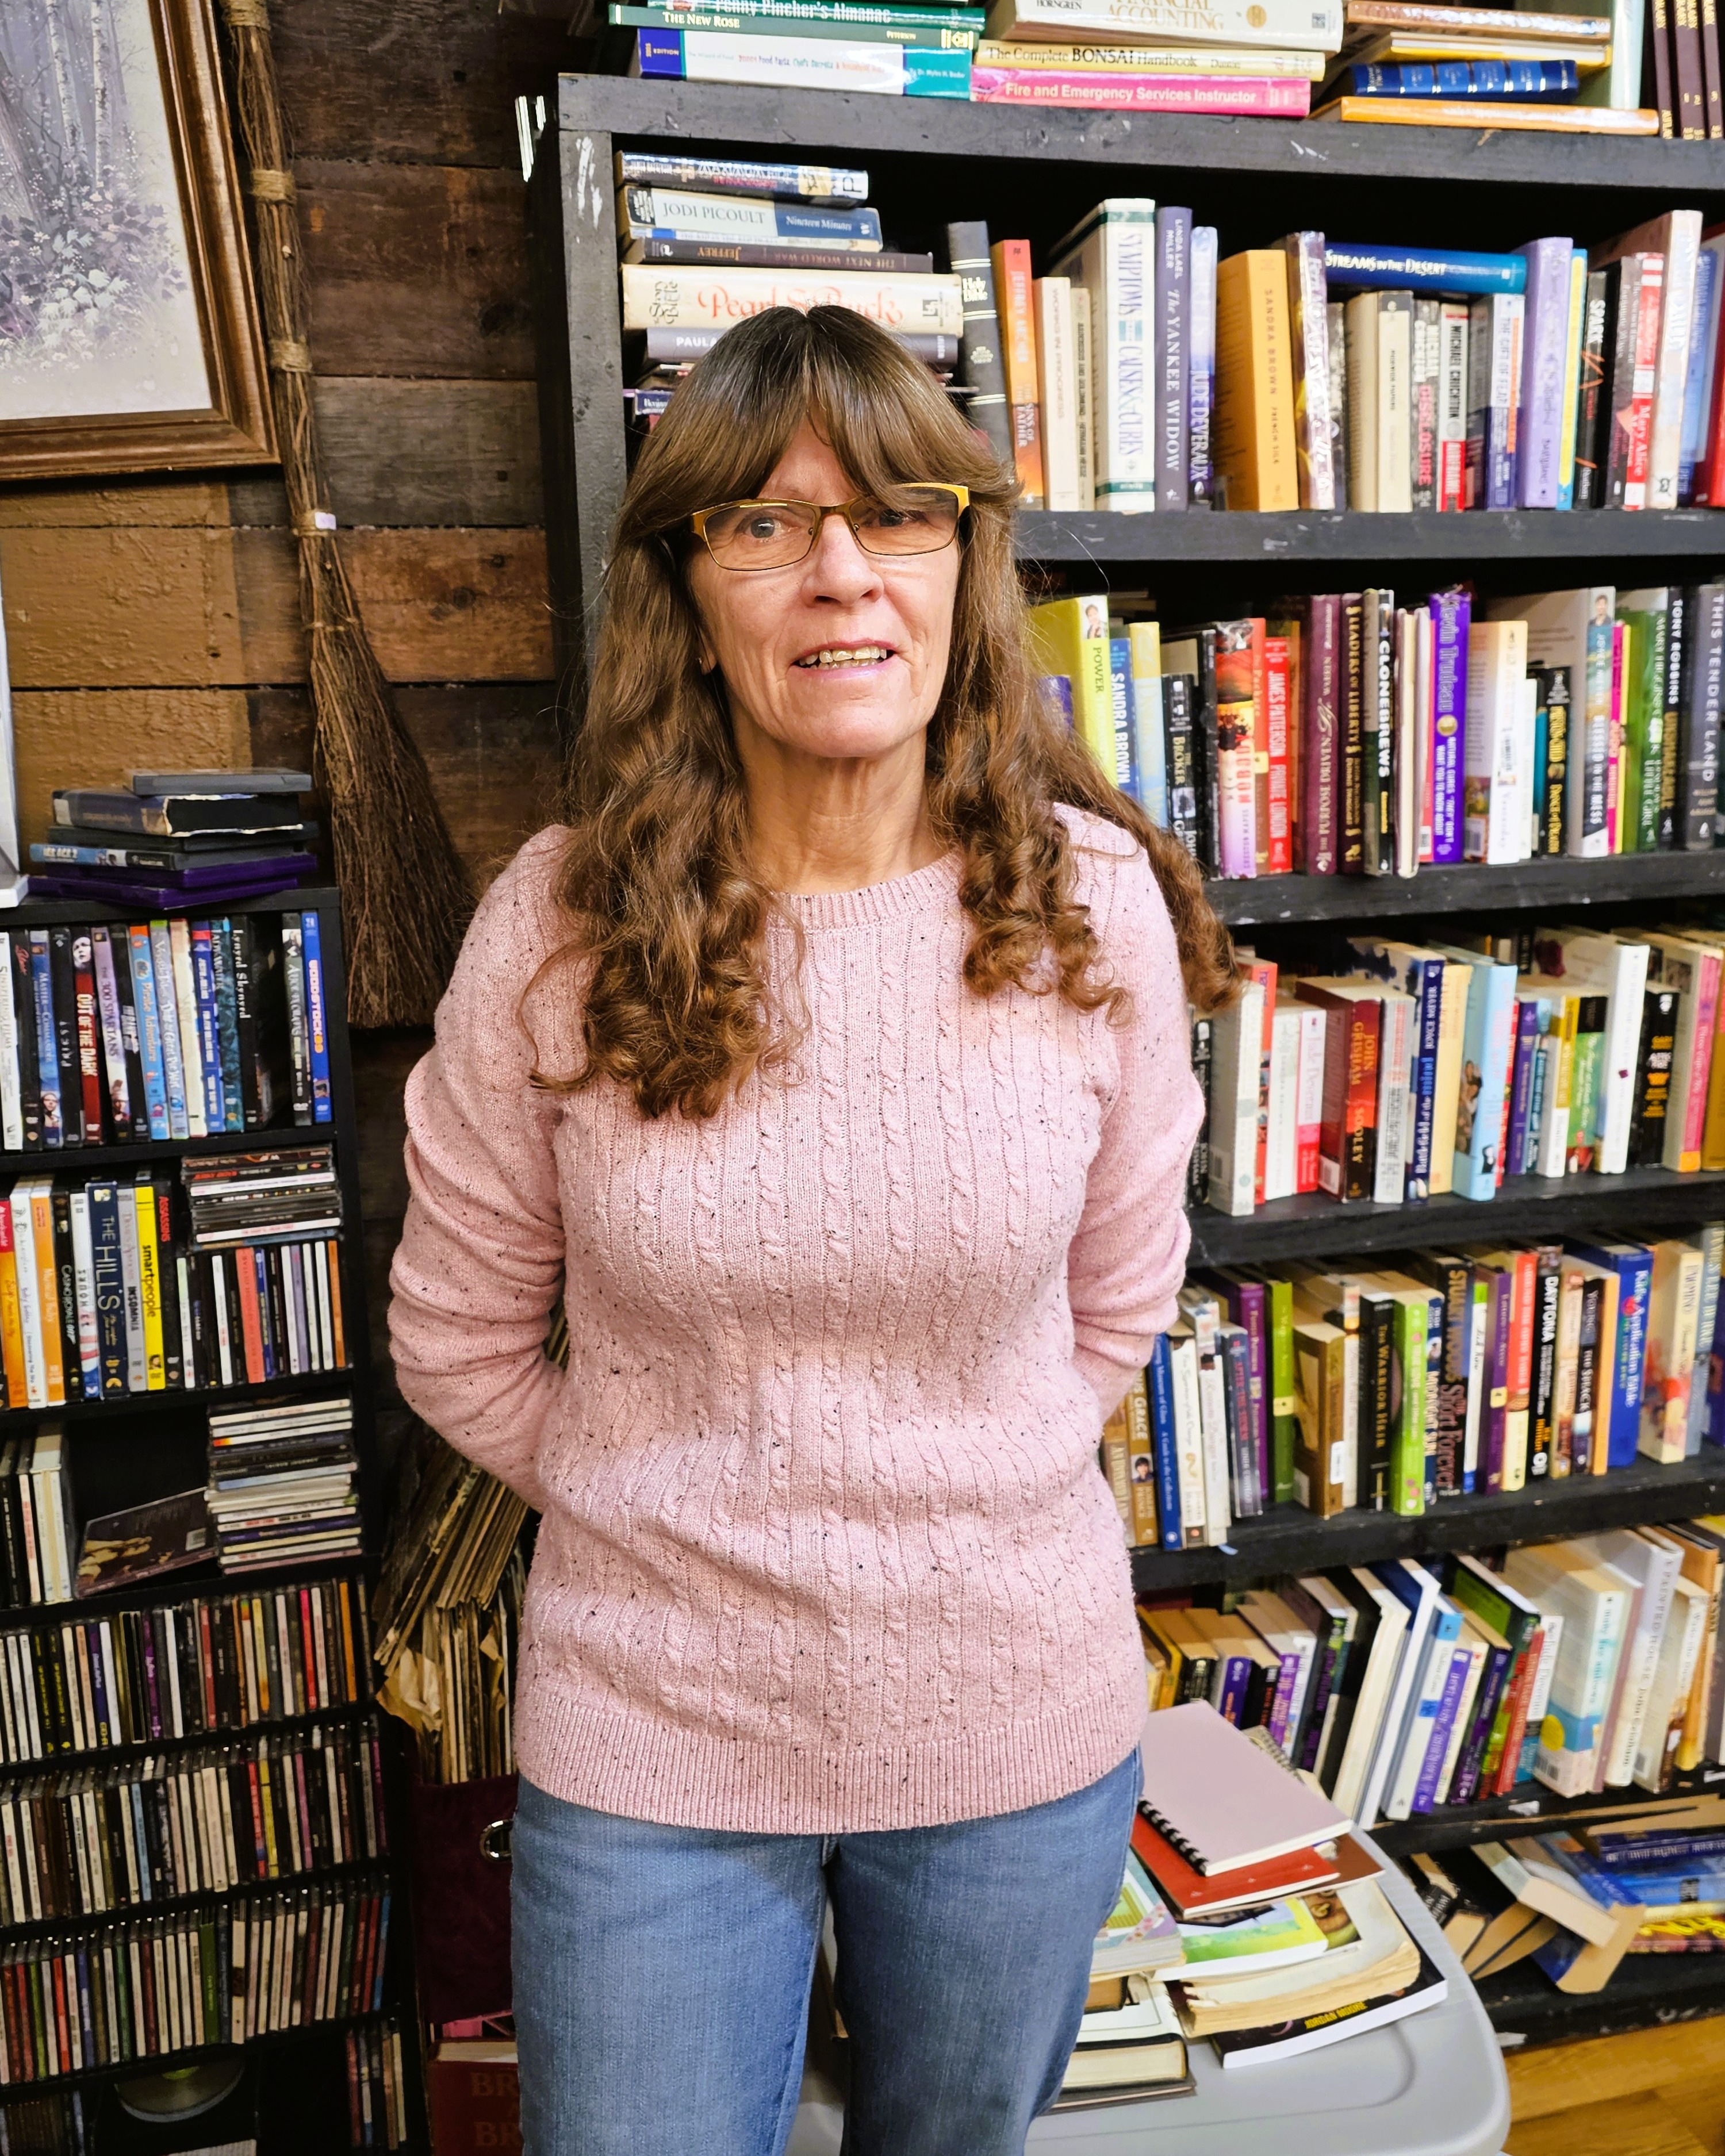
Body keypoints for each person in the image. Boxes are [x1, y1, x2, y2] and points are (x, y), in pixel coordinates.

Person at [388, 304, 1233, 2156]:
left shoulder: (1094, 909)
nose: (841, 573)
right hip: (655, 1740)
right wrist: (665, 1502)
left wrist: (947, 1497)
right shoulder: (559, 922)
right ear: (691, 590)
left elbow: (1119, 1299)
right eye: (763, 526)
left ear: (963, 564)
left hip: (1015, 1725)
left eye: (898, 514)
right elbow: (451, 1336)